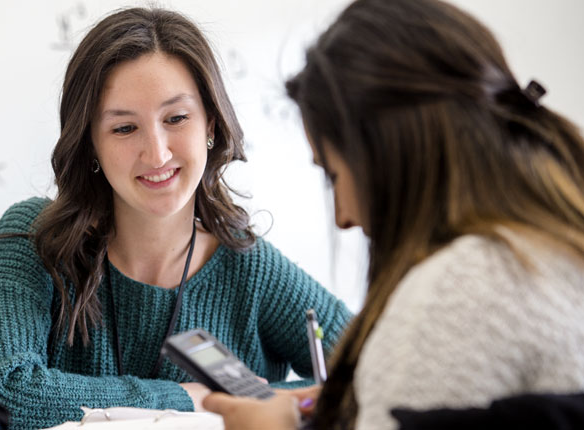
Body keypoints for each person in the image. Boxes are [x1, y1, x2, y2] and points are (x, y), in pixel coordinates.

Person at [0, 7, 353, 430]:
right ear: (91, 144)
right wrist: (181, 398)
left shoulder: (247, 265)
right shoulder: (36, 238)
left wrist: (247, 401)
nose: (157, 154)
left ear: (210, 124)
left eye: (176, 118)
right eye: (124, 129)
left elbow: (370, 372)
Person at [202, 0, 584, 429]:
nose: (342, 217)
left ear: (386, 158)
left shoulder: (461, 290)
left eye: (333, 175)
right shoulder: (556, 246)